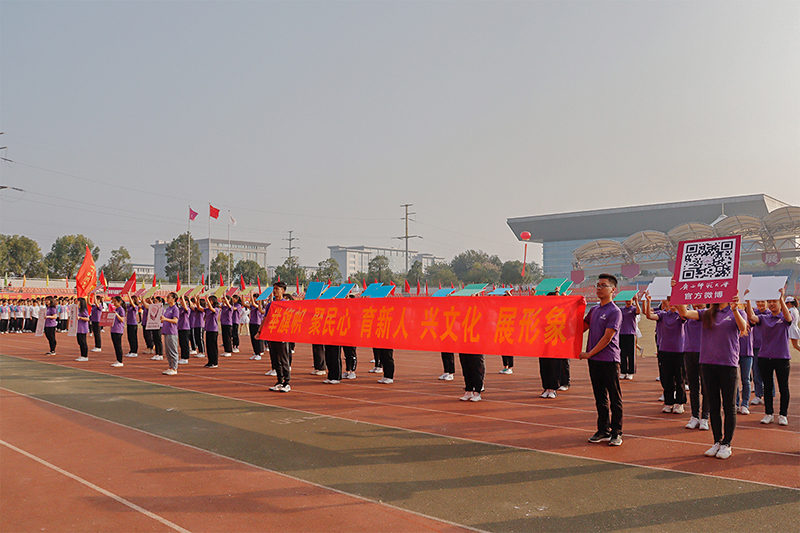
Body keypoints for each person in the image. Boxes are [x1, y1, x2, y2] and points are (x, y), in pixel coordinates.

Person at [676, 293, 747, 459]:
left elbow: (743, 328)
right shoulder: (707, 313)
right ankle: (717, 441)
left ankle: (727, 443)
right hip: (708, 364)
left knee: (728, 406)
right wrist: (677, 291)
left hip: (728, 364)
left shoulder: (736, 312)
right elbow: (685, 313)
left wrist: (735, 310)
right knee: (714, 405)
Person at [580, 274, 623, 446]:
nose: (599, 288)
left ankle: (617, 432)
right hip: (595, 361)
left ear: (613, 289)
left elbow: (607, 338)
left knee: (614, 398)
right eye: (597, 285)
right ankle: (603, 429)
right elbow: (581, 327)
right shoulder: (594, 310)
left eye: (603, 285)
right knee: (600, 397)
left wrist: (589, 353)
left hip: (609, 360)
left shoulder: (615, 312)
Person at [747, 289, 792, 426]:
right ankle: (769, 413)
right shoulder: (764, 318)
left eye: (774, 301)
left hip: (782, 358)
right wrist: (748, 299)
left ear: (780, 303)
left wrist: (782, 298)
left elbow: (788, 318)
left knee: (783, 387)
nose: (772, 304)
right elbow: (751, 317)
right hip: (765, 357)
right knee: (767, 386)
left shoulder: (784, 318)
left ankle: (783, 415)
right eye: (770, 302)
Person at [644, 294, 687, 414]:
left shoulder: (682, 315)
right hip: (664, 350)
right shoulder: (663, 315)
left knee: (679, 378)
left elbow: (685, 316)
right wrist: (648, 302)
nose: (671, 304)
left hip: (679, 351)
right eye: (670, 302)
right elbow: (649, 316)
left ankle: (680, 402)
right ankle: (669, 402)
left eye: (674, 302)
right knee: (666, 377)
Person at [683, 305, 709, 430]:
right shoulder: (688, 313)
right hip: (690, 352)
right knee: (693, 387)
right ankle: (694, 416)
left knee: (706, 388)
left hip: (705, 353)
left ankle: (705, 417)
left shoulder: (708, 314)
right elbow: (682, 312)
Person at [264, 281, 291, 392]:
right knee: (275, 360)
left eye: (277, 289)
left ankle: (287, 383)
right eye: (274, 288)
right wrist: (260, 331)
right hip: (272, 335)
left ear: (283, 291)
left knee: (283, 359)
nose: (275, 291)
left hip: (282, 335)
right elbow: (266, 318)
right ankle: (279, 381)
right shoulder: (271, 304)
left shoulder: (286, 304)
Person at [619, 295, 641, 380]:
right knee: (622, 354)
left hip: (631, 334)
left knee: (631, 354)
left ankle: (631, 372)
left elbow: (639, 312)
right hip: (622, 333)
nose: (628, 301)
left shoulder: (633, 309)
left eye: (630, 300)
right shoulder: (621, 309)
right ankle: (623, 371)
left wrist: (636, 301)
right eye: (627, 300)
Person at [160, 292, 180, 375]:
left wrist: (165, 319)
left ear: (174, 299)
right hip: (166, 331)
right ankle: (170, 367)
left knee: (173, 350)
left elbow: (175, 320)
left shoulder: (175, 309)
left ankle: (174, 368)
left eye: (169, 297)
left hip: (172, 332)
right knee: (168, 351)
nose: (167, 298)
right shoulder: (168, 308)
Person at [202, 296, 220, 368]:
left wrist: (207, 300)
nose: (209, 301)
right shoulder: (207, 309)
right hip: (208, 329)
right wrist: (197, 299)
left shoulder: (216, 309)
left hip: (214, 330)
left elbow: (211, 308)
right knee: (208, 346)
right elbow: (200, 308)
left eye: (210, 300)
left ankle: (214, 362)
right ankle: (210, 361)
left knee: (213, 347)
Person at [110, 296, 126, 367]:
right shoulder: (116, 309)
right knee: (115, 346)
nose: (114, 302)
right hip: (113, 329)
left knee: (118, 345)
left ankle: (120, 361)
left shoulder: (121, 309)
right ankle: (117, 360)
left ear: (119, 302)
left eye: (115, 301)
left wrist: (116, 314)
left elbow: (122, 319)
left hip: (118, 330)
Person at [247, 295, 265, 360]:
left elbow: (255, 304)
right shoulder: (252, 306)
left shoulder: (260, 306)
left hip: (257, 323)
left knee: (257, 339)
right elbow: (244, 304)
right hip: (252, 323)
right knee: (252, 338)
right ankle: (255, 352)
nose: (254, 298)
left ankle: (259, 353)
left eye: (255, 297)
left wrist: (251, 295)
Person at [177, 295, 192, 365]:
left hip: (185, 327)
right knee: (181, 343)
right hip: (180, 327)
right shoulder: (180, 308)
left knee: (185, 343)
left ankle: (185, 358)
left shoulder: (188, 308)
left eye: (181, 300)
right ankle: (182, 357)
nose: (180, 301)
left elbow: (185, 307)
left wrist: (183, 297)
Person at [75, 297, 91, 362]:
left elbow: (87, 318)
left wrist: (80, 318)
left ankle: (85, 355)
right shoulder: (77, 309)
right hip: (78, 328)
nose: (76, 301)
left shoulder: (83, 310)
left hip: (83, 329)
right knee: (79, 342)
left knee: (83, 342)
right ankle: (82, 355)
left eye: (78, 301)